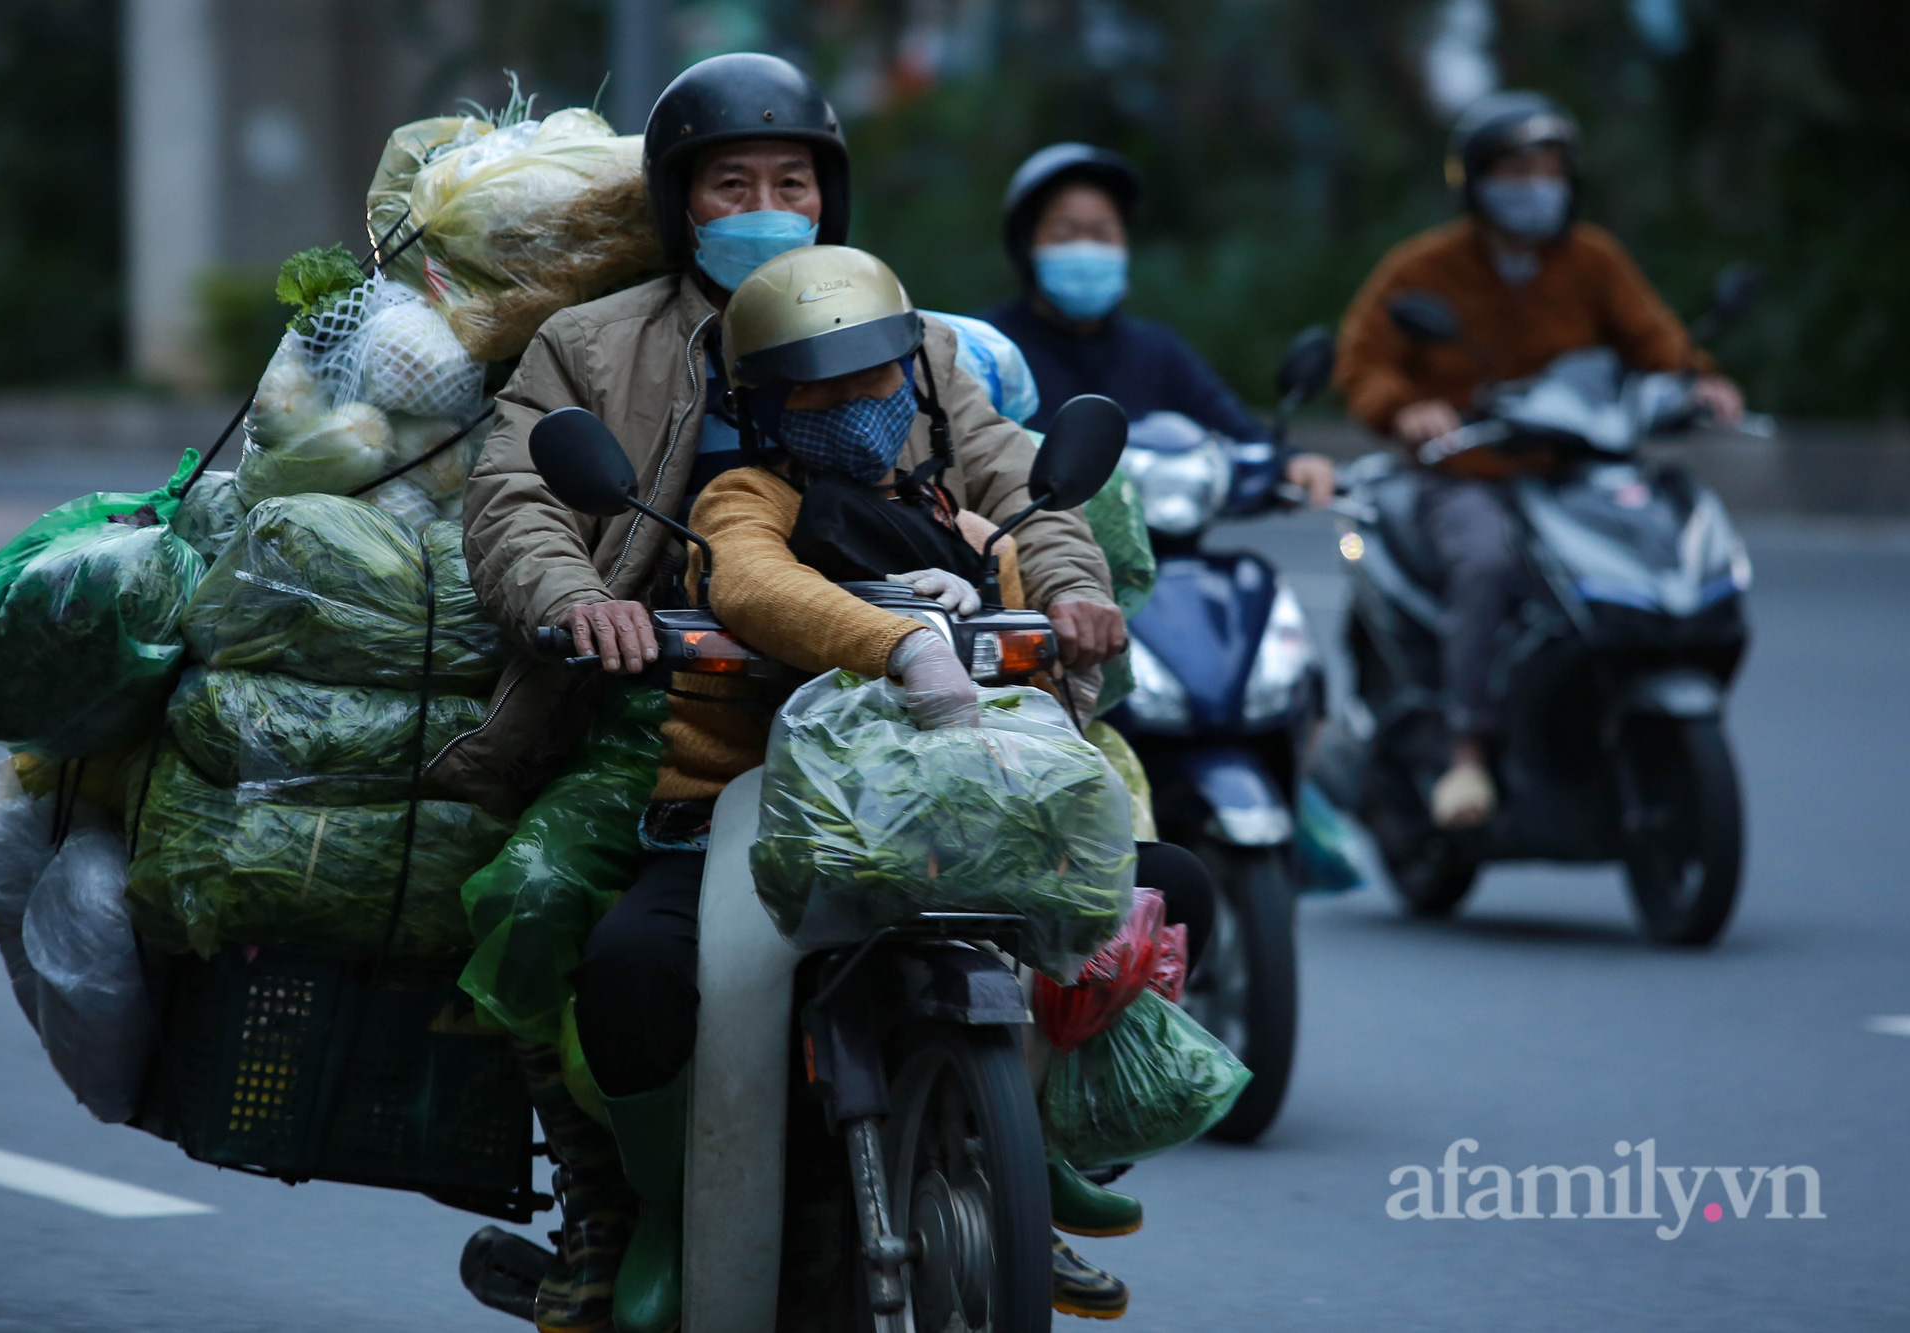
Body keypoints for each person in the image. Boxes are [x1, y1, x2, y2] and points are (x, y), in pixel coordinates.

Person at [461, 56, 1123, 1333]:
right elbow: (514, 496)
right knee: (599, 947)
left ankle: (1029, 1165)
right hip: (677, 718)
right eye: (730, 183)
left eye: (792, 179)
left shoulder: (918, 342)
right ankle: (615, 1202)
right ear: (680, 205)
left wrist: (1073, 595)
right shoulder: (592, 345)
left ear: (830, 197)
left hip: (938, 728)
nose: (767, 201)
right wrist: (575, 602)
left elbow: (1028, 496)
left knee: (1124, 889)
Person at [570, 243, 1208, 1327]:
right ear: (761, 403)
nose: (850, 404)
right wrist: (899, 645)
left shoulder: (952, 511)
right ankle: (669, 1214)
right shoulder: (743, 497)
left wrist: (1069, 642)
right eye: (813, 385)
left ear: (910, 380)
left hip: (952, 805)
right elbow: (753, 583)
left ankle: (1035, 1148)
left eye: (871, 378)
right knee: (628, 969)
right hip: (758, 810)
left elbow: (1028, 632)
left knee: (1166, 883)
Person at [1333, 90, 1746, 830]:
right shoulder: (1422, 268)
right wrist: (1407, 408)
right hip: (1468, 473)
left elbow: (1656, 341)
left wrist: (1700, 380)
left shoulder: (1594, 259)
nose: (1536, 183)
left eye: (1549, 167)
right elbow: (1363, 362)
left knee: (1661, 530)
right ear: (1477, 179)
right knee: (1486, 561)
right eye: (1517, 168)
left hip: (1575, 469)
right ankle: (1467, 750)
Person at [982, 142, 1335, 505]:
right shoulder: (989, 350)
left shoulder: (1156, 351)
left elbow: (1240, 434)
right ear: (1025, 247)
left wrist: (1291, 461)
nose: (1085, 249)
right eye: (1064, 234)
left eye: (1102, 234)